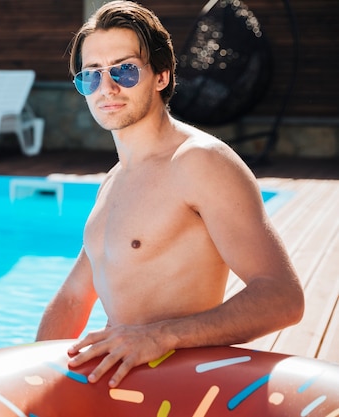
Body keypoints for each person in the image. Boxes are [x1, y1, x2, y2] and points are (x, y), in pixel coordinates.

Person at [35, 0, 304, 389]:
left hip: (178, 392)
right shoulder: (114, 182)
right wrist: (31, 380)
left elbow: (283, 297)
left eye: (125, 70)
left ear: (161, 75)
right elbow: (75, 298)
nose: (106, 87)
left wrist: (160, 336)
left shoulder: (198, 162)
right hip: (119, 391)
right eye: (91, 75)